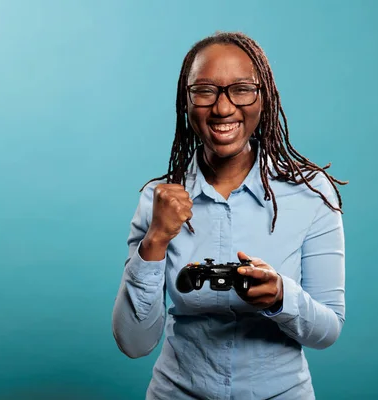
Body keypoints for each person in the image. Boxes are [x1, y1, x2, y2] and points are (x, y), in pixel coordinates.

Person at [112, 31, 347, 400]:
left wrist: (281, 298)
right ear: (186, 102)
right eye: (205, 90)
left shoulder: (310, 193)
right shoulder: (157, 202)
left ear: (264, 97)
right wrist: (154, 240)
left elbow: (328, 331)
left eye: (241, 89)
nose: (223, 108)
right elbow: (134, 343)